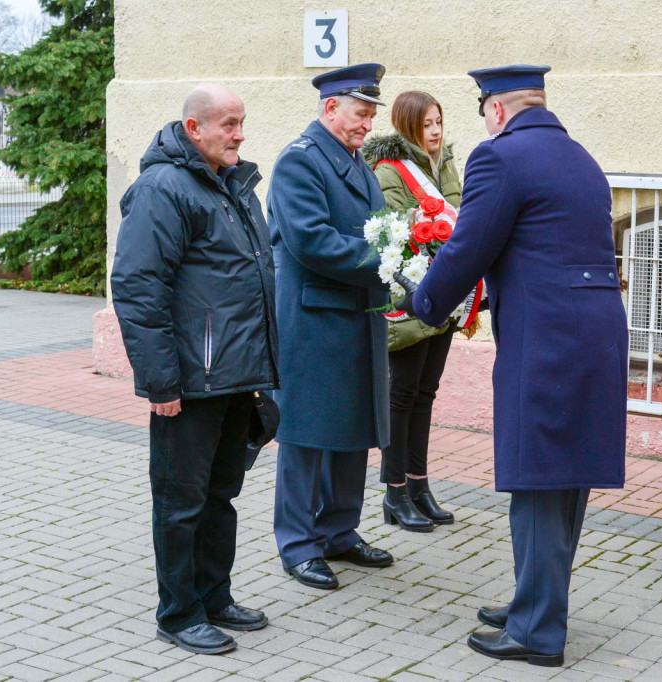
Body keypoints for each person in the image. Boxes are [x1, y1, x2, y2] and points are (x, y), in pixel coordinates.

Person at [396, 65, 628, 667]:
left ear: (495, 110)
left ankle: (535, 631)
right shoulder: (579, 156)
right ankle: (537, 600)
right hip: (594, 329)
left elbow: (472, 245)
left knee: (536, 479)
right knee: (563, 477)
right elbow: (546, 246)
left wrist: (421, 301)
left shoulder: (499, 158)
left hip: (547, 335)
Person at [110, 84, 279, 655]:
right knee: (180, 502)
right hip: (189, 379)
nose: (239, 134)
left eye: (241, 123)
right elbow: (138, 287)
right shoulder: (163, 188)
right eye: (229, 124)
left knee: (220, 495)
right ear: (193, 128)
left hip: (234, 374)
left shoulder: (230, 185)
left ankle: (215, 595)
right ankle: (179, 614)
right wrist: (160, 381)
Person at [267, 63, 395, 591]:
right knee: (306, 434)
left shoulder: (354, 160)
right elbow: (311, 241)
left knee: (352, 429)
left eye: (369, 116)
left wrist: (402, 249)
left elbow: (381, 226)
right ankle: (298, 545)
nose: (366, 125)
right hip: (315, 318)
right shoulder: (299, 163)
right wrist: (389, 257)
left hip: (354, 313)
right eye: (360, 114)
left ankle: (339, 531)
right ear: (330, 108)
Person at [363, 91, 465, 532]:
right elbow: (398, 234)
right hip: (410, 299)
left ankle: (420, 485)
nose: (436, 131)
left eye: (439, 121)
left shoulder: (444, 164)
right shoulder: (391, 170)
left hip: (446, 296)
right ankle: (394, 492)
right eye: (426, 125)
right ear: (407, 126)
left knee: (425, 393)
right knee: (401, 396)